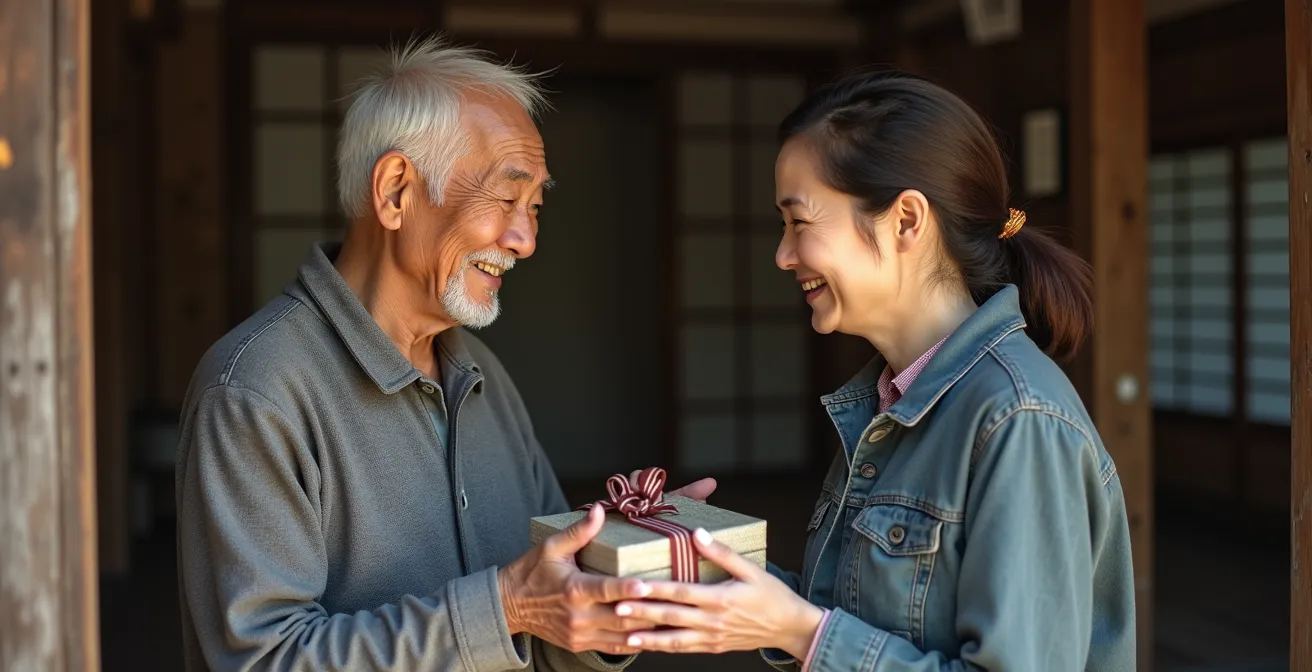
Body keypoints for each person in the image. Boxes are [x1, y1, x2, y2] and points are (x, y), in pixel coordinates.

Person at [174, 36, 713, 671]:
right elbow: (264, 660)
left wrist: (612, 593)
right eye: (507, 199)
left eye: (536, 207)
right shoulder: (254, 392)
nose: (526, 239)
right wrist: (505, 606)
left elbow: (538, 627)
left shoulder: (483, 375)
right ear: (396, 190)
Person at [612, 71, 1137, 670]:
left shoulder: (1018, 421)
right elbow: (861, 612)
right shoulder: (887, 398)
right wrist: (705, 564)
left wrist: (806, 635)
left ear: (907, 220)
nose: (783, 254)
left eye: (800, 222)